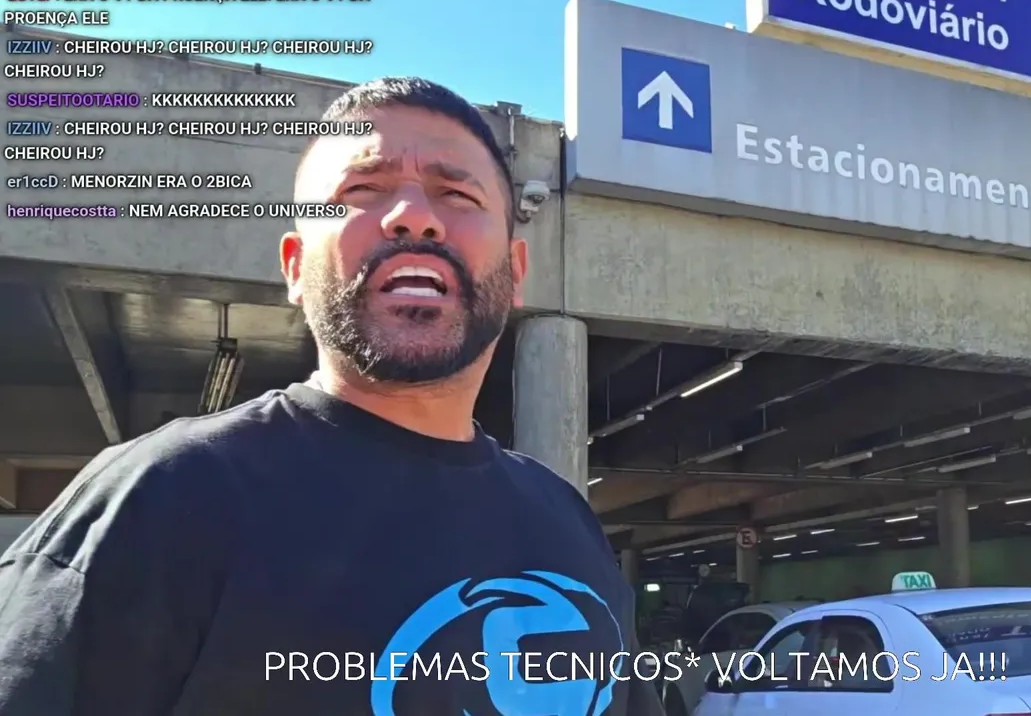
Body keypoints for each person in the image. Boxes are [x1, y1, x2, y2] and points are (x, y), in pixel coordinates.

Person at [0, 77, 663, 716]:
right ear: (295, 267)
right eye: (362, 190)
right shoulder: (161, 497)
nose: (413, 217)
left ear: (515, 273)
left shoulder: (566, 519)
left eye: (457, 194)